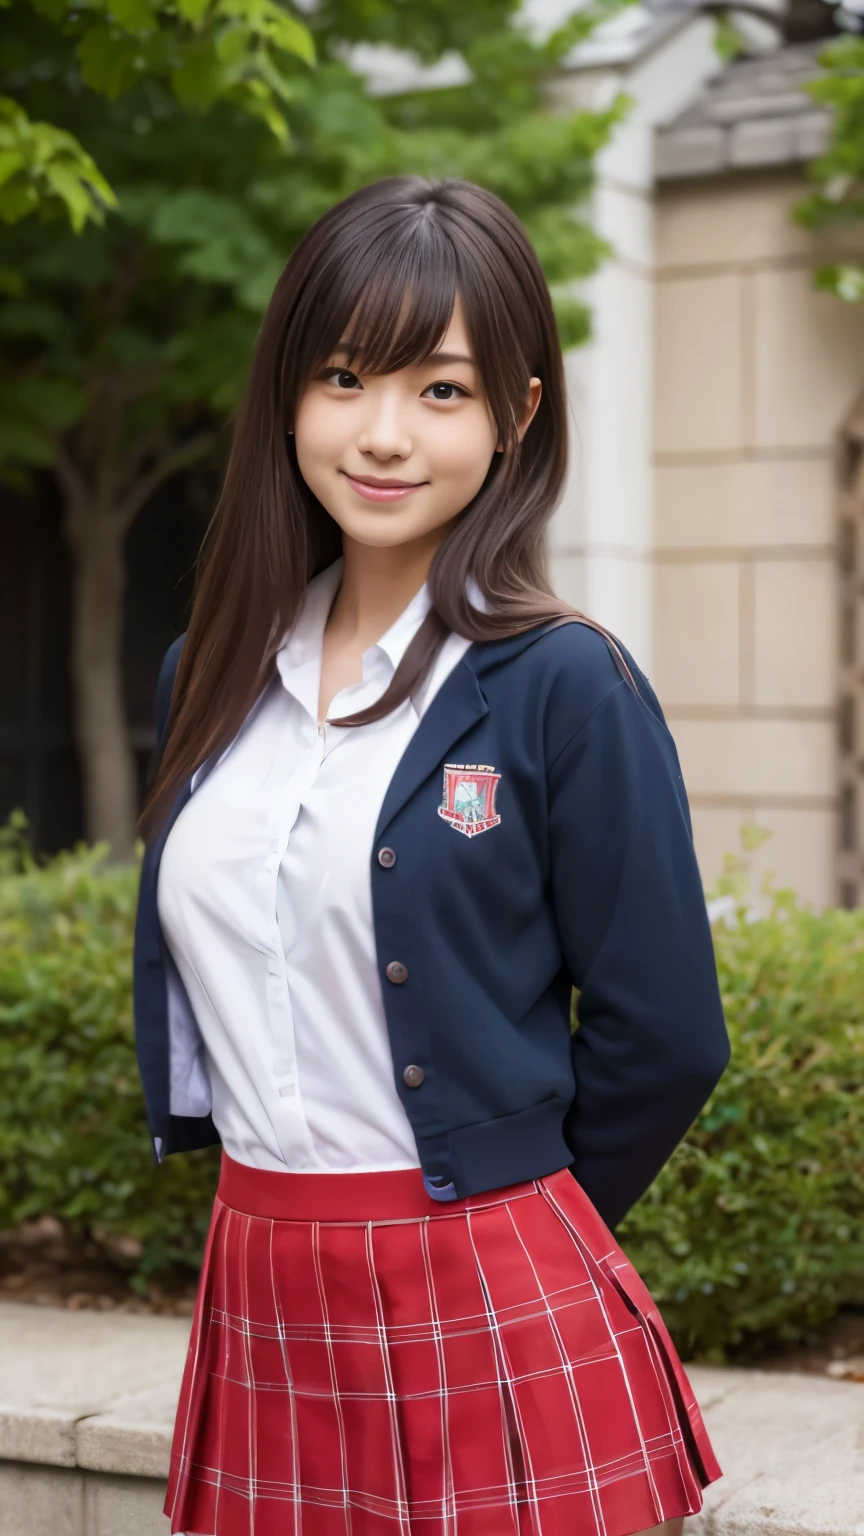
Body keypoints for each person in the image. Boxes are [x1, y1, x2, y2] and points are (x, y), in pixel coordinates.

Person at [133, 176, 730, 1536]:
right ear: (289, 394)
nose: (384, 434)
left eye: (443, 391)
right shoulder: (207, 676)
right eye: (345, 376)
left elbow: (667, 1034)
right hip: (260, 1273)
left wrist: (502, 1212)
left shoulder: (563, 686)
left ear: (519, 415)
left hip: (491, 1284)